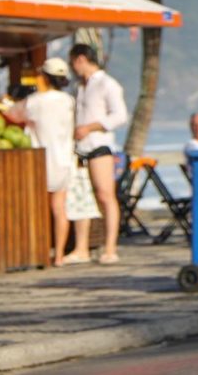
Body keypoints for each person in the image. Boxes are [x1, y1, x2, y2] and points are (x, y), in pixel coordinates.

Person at [7, 57, 75, 266]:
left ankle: (41, 251)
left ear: (44, 76)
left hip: (40, 161)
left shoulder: (36, 101)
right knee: (59, 208)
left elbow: (13, 114)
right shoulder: (68, 100)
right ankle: (60, 255)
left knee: (38, 208)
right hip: (64, 159)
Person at [66, 43, 128, 266]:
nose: (72, 67)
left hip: (99, 146)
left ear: (81, 59)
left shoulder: (107, 84)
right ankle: (81, 247)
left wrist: (91, 127)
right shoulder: (79, 86)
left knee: (105, 195)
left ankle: (110, 247)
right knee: (81, 198)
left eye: (73, 62)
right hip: (80, 147)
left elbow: (120, 115)